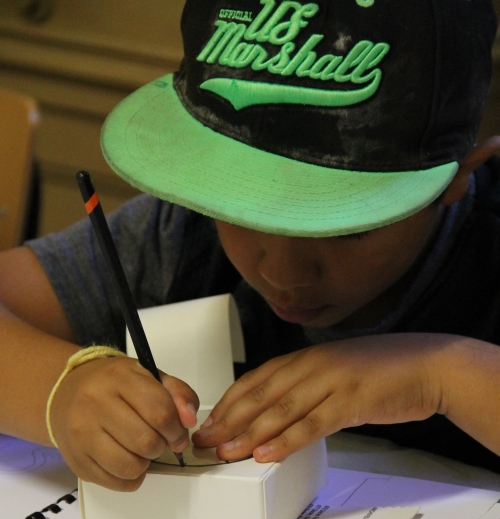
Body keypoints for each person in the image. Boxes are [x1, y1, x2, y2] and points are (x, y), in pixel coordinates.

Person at [1, 0, 500, 491]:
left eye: (344, 226)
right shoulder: (178, 232)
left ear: (458, 178)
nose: (283, 272)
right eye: (239, 210)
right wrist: (58, 388)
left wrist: (441, 375)